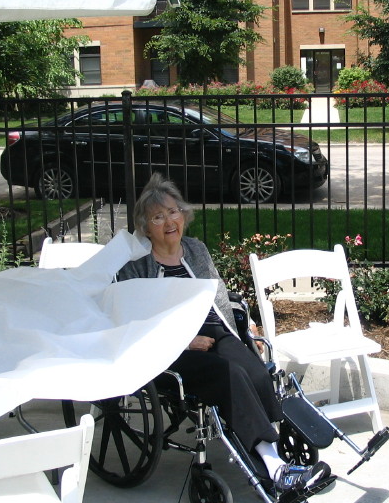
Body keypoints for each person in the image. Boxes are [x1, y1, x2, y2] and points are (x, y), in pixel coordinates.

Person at [117, 173, 331, 496]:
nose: (169, 222)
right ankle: (275, 468)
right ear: (146, 228)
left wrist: (247, 323)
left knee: (255, 371)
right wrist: (184, 342)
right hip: (172, 348)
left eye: (173, 212)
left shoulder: (195, 249)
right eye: (158, 217)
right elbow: (135, 318)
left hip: (216, 329)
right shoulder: (136, 266)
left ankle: (272, 452)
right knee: (228, 374)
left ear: (183, 215)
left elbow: (220, 292)